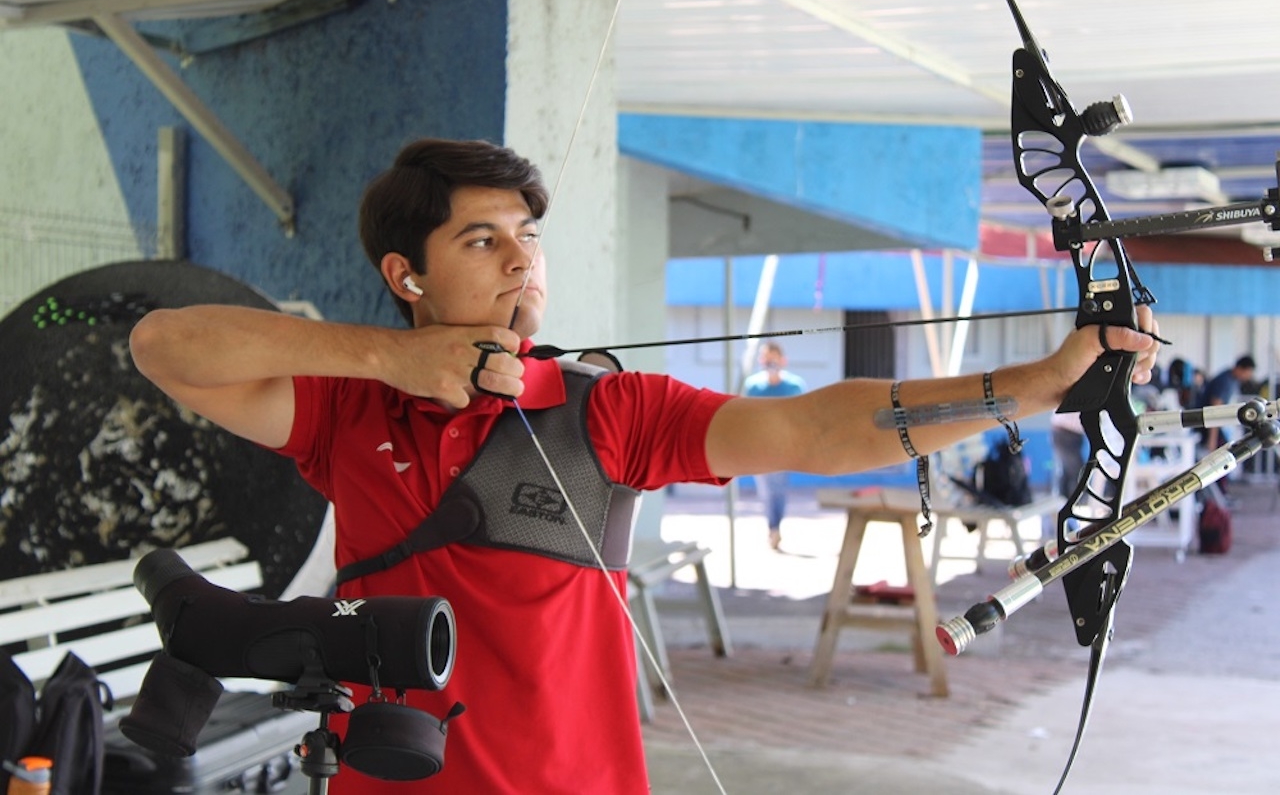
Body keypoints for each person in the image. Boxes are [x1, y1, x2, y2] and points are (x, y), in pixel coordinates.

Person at [128, 138, 1160, 795]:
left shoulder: (604, 411)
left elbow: (813, 431)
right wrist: (388, 357)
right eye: (481, 240)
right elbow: (162, 347)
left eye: (525, 237)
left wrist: (1034, 385)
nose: (520, 262)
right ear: (406, 275)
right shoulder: (348, 411)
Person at [743, 341, 806, 549]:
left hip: (784, 448)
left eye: (773, 358)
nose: (769, 362)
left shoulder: (794, 386)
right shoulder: (753, 386)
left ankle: (776, 526)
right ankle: (773, 528)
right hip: (760, 448)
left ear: (782, 360)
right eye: (766, 358)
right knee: (766, 491)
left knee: (779, 489)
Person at [1197, 355, 1257, 450]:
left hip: (1220, 428)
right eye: (1248, 373)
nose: (1248, 377)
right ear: (1241, 369)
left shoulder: (1233, 381)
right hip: (1208, 426)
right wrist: (1212, 439)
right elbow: (1214, 410)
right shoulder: (1225, 381)